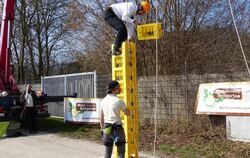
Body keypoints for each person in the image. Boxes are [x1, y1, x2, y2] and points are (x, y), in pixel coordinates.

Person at [99, 80, 130, 158]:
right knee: (121, 152)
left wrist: (102, 129)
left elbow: (101, 117)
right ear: (113, 89)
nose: (120, 89)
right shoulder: (119, 101)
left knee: (107, 152)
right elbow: (128, 113)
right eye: (118, 87)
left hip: (106, 128)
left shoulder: (102, 101)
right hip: (117, 128)